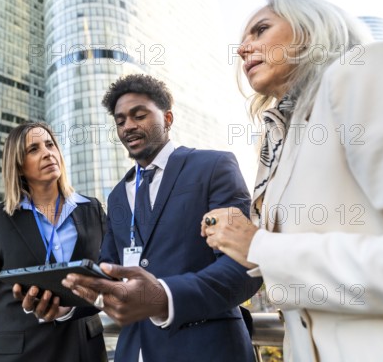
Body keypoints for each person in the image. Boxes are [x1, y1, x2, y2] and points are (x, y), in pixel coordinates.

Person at [201, 0, 383, 362]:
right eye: (243, 39)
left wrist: (259, 246)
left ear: (311, 31)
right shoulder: (282, 138)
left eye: (261, 29)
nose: (242, 48)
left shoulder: (365, 70)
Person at [62, 74, 263, 362]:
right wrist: (65, 305)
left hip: (206, 350)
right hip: (134, 351)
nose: (128, 126)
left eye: (139, 115)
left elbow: (242, 268)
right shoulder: (118, 195)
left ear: (167, 118)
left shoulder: (213, 166)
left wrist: (164, 297)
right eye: (120, 121)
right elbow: (108, 273)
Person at [0, 122, 107, 362]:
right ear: (19, 167)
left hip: (81, 349)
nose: (47, 153)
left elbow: (111, 278)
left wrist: (74, 307)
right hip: (16, 353)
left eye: (50, 144)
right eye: (33, 149)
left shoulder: (92, 209)